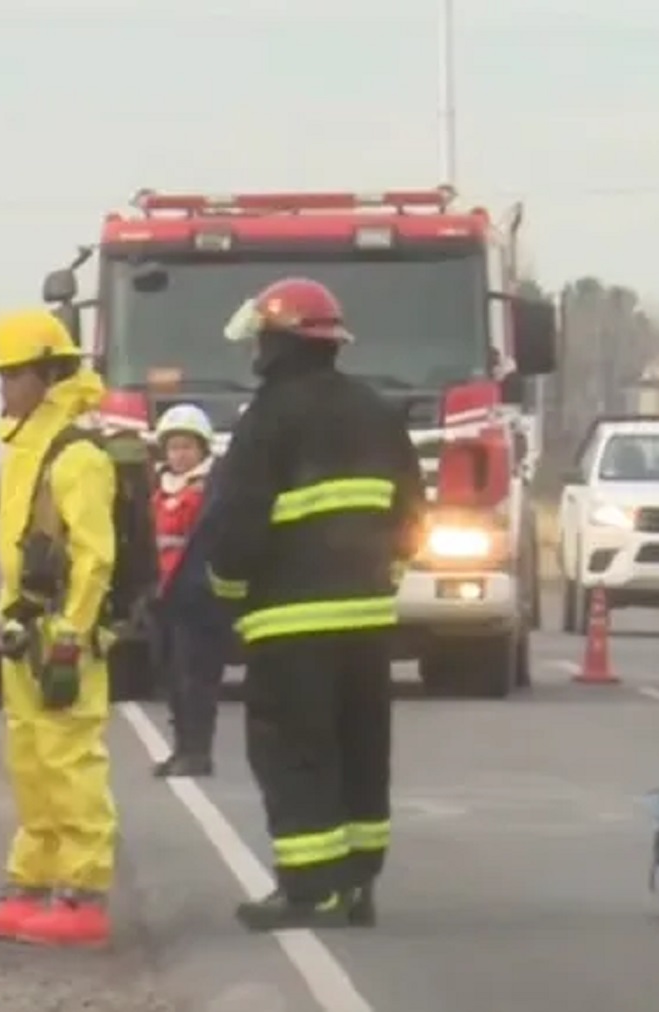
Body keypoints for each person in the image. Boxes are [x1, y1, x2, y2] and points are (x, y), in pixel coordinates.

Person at [206, 277, 427, 932]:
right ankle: (357, 886)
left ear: (276, 345)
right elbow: (413, 513)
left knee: (295, 754)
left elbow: (237, 524)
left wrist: (228, 597)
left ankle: (308, 891)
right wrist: (384, 576)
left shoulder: (270, 418)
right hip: (365, 622)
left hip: (288, 624)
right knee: (361, 747)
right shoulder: (374, 411)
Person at [0, 308, 119, 949]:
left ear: (48, 374)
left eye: (13, 375)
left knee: (69, 758)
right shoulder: (26, 447)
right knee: (31, 758)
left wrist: (72, 633)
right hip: (25, 631)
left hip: (59, 633)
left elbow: (96, 554)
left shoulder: (75, 453)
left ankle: (81, 889)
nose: (3, 388)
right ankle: (35, 878)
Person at [149, 403, 226, 778]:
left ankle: (198, 752)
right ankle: (181, 748)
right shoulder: (160, 490)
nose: (180, 455)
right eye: (174, 447)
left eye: (187, 447)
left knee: (196, 678)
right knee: (173, 678)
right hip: (167, 597)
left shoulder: (210, 490)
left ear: (202, 450)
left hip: (198, 598)